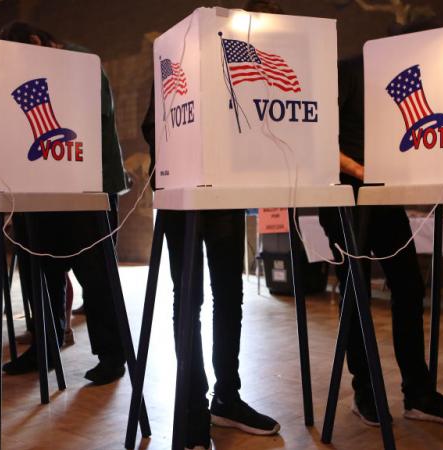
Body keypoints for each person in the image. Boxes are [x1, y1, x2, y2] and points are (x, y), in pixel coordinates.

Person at [140, 2, 282, 447]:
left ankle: (227, 399)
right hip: (184, 194)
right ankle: (192, 410)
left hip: (227, 194)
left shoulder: (252, 61)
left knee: (230, 294)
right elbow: (153, 125)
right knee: (190, 299)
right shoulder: (186, 49)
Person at [318, 21, 443, 427]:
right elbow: (317, 136)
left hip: (382, 199)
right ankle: (364, 393)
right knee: (357, 293)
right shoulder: (348, 70)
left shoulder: (398, 80)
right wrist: (358, 169)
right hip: (343, 197)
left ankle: (417, 394)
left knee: (409, 285)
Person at [0, 22, 130, 385]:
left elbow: (91, 115)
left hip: (87, 186)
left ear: (37, 42)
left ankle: (112, 355)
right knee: (40, 270)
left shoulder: (80, 59)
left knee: (96, 276)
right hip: (41, 183)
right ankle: (45, 347)